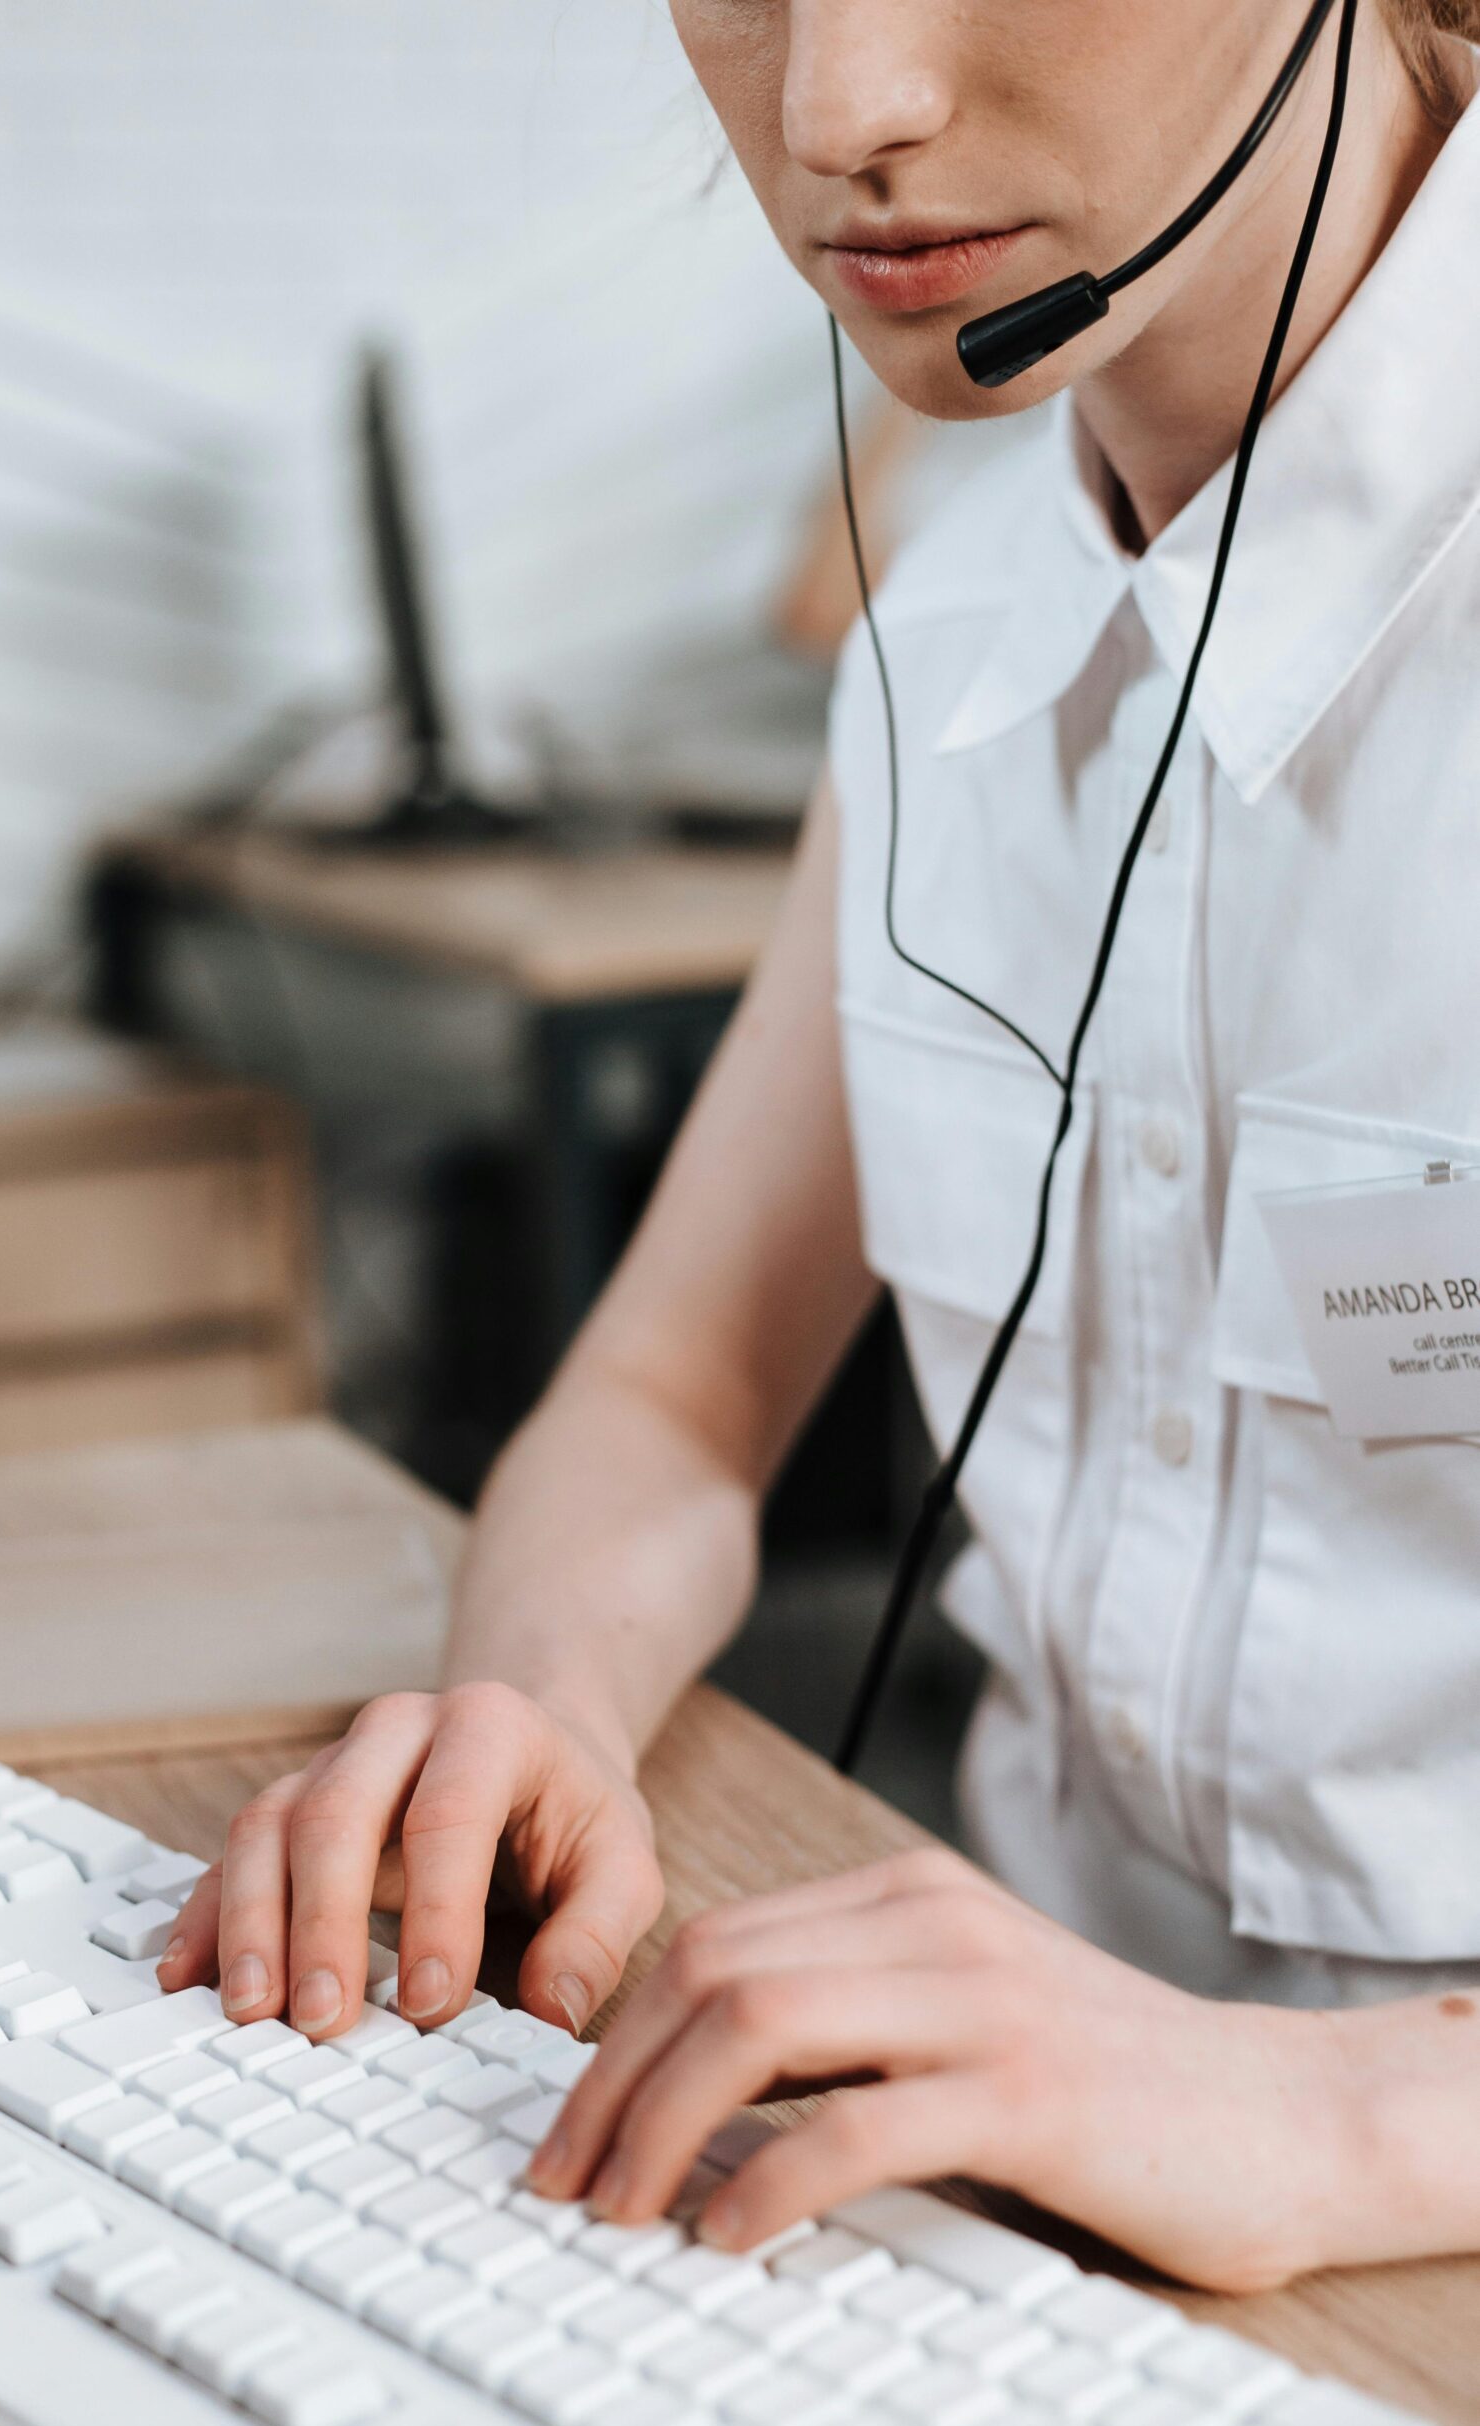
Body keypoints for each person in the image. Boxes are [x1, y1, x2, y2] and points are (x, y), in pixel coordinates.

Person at [162, 0, 1480, 2292]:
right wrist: (535, 1711)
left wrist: (1337, 2107)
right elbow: (673, 1387)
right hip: (982, 2187)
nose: (832, 107)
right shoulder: (953, 616)